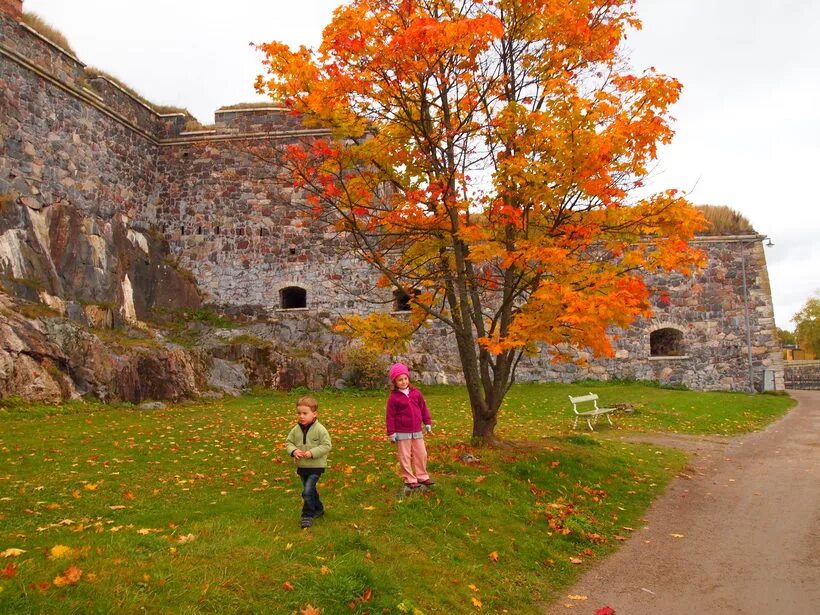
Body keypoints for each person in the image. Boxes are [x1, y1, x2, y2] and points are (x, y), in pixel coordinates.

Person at [385, 362, 435, 489]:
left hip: (417, 430)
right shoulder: (393, 398)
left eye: (405, 378)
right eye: (400, 380)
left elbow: (423, 408)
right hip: (402, 432)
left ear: (408, 378)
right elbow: (390, 416)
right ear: (394, 382)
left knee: (421, 453)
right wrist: (391, 432)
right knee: (405, 456)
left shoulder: (416, 393)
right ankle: (409, 479)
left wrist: (427, 422)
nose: (403, 382)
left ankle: (422, 476)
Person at [285, 395, 332, 528]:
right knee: (310, 490)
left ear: (314, 414)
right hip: (302, 466)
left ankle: (307, 515)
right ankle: (319, 509)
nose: (301, 416)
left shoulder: (320, 429)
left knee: (306, 491)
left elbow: (326, 445)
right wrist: (294, 451)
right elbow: (289, 443)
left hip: (316, 466)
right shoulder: (296, 429)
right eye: (299, 413)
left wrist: (312, 453)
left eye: (305, 413)